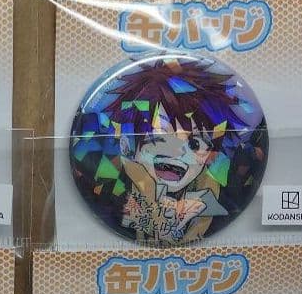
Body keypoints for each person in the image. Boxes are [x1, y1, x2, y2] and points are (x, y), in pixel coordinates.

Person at [96, 57, 262, 244]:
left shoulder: (220, 203)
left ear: (210, 154)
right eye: (160, 135)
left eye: (195, 143)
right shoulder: (111, 197)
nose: (178, 152)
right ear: (127, 143)